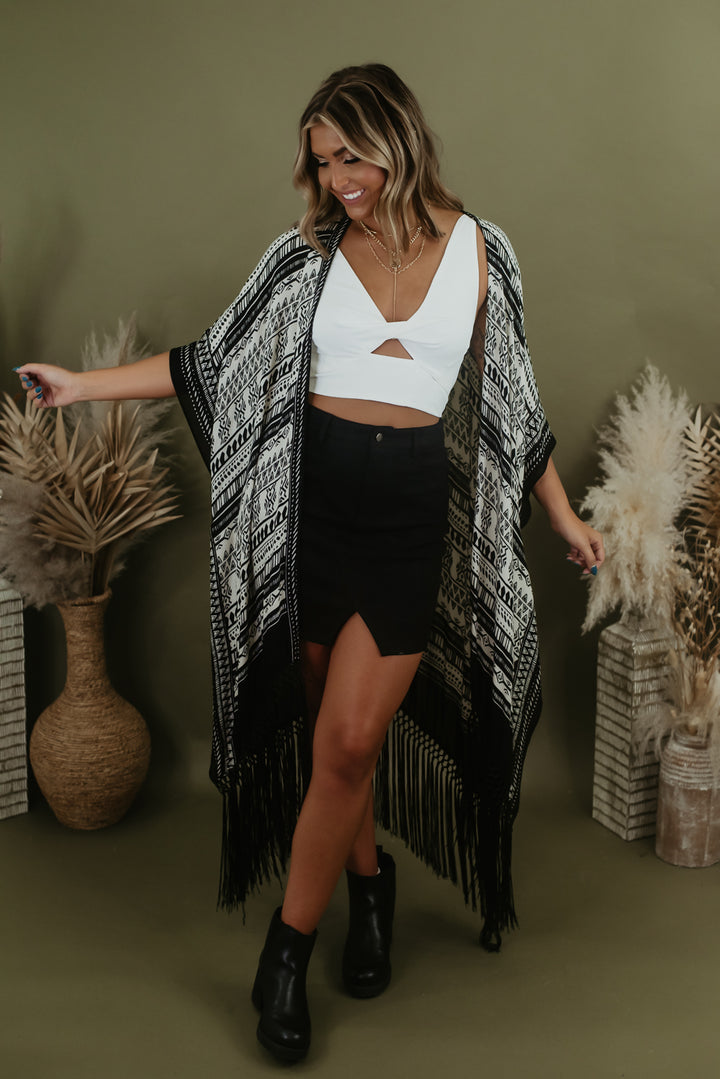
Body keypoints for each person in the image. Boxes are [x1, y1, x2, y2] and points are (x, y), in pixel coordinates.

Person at [17, 64, 604, 1063]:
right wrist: (80, 385)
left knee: (346, 741)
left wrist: (565, 518)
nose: (339, 180)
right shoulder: (306, 256)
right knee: (341, 743)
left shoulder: (481, 251)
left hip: (409, 519)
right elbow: (211, 362)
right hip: (310, 520)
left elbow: (516, 404)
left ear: (400, 141)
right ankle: (368, 887)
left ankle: (284, 954)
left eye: (353, 156)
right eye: (324, 162)